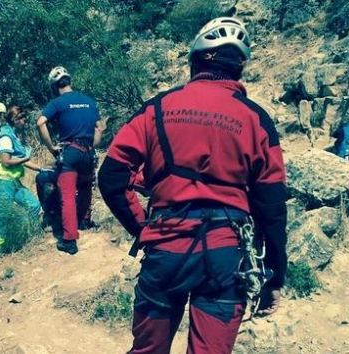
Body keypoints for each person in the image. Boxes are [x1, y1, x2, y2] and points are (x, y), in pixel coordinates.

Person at [98, 17, 287, 353]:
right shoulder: (256, 119)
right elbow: (271, 206)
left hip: (166, 246)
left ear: (194, 61)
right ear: (239, 68)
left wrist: (141, 228)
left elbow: (112, 177)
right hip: (226, 254)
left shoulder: (156, 109)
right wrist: (274, 275)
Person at [36, 66, 104, 255]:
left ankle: (69, 240)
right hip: (88, 153)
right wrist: (93, 145)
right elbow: (100, 128)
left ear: (54, 85)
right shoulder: (88, 101)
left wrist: (50, 147)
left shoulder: (58, 103)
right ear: (69, 80)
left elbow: (40, 122)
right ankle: (83, 221)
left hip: (70, 152)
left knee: (66, 194)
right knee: (84, 188)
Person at [0, 106, 42, 254]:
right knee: (1, 215)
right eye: (23, 118)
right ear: (15, 120)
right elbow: (6, 161)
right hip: (1, 182)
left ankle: (27, 235)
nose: (25, 121)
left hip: (13, 182)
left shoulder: (13, 136)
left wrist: (40, 169)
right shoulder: (6, 137)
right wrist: (26, 157)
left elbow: (21, 159)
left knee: (33, 205)